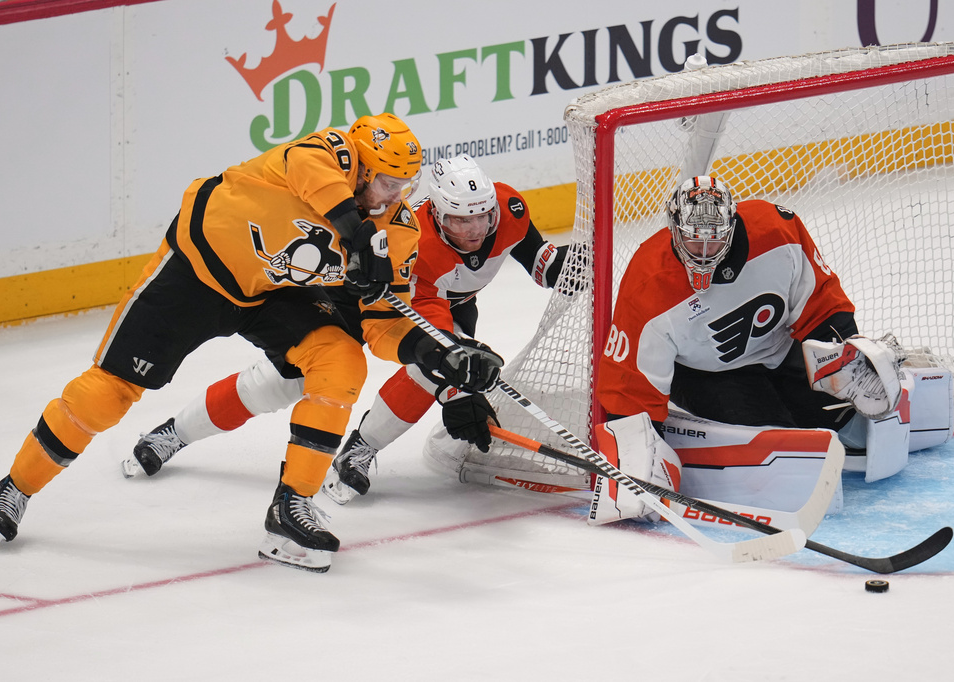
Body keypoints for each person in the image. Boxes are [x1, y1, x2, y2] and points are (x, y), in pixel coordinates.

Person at [0, 114, 503, 573]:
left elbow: (384, 322)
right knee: (107, 395)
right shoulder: (329, 152)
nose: (394, 196)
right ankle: (14, 487)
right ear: (359, 165)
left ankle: (291, 509)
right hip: (195, 273)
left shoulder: (397, 227)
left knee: (340, 362)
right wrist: (355, 234)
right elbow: (311, 172)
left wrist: (440, 354)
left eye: (404, 185)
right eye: (386, 182)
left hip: (271, 292)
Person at [121, 154, 573, 506]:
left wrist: (578, 265)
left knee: (437, 371)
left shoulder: (508, 208)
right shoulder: (420, 244)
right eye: (462, 219)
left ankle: (358, 449)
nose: (476, 229)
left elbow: (540, 261)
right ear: (437, 214)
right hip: (354, 303)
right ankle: (173, 432)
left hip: (436, 306)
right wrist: (457, 389)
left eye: (482, 216)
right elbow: (426, 320)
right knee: (283, 384)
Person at [592, 175, 905, 523]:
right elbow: (630, 386)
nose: (706, 253)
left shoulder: (777, 230)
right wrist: (637, 454)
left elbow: (821, 302)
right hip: (706, 374)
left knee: (846, 422)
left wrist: (844, 355)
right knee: (784, 445)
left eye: (716, 240)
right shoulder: (648, 281)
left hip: (779, 350)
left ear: (734, 222)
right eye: (695, 243)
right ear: (674, 230)